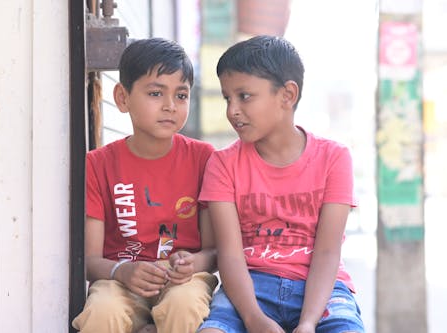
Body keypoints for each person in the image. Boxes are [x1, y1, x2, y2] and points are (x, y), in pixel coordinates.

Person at [197, 35, 365, 333]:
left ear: (287, 95)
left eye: (244, 96)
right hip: (250, 287)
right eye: (227, 98)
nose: (232, 110)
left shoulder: (334, 158)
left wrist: (309, 322)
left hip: (321, 288)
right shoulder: (222, 164)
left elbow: (327, 252)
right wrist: (252, 318)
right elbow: (231, 255)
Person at [72, 37, 218, 333]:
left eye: (181, 95)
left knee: (185, 307)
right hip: (120, 279)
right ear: (122, 98)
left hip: (184, 280)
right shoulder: (98, 164)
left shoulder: (204, 158)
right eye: (155, 93)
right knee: (102, 312)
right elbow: (88, 260)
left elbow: (215, 252)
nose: (170, 106)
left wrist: (194, 262)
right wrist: (121, 270)